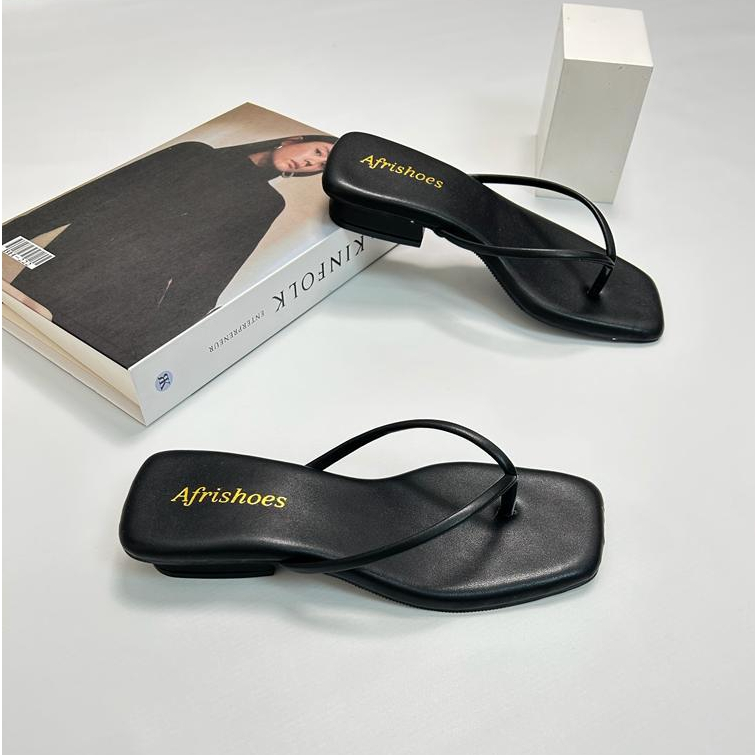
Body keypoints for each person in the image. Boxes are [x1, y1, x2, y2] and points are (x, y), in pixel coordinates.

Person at [2, 134, 337, 366]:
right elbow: (98, 193)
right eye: (318, 152)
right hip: (74, 261)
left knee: (84, 364)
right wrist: (12, 231)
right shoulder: (193, 153)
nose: (310, 162)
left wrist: (167, 340)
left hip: (131, 297)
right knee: (31, 345)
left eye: (319, 167)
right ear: (294, 140)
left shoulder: (266, 203)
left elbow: (212, 273)